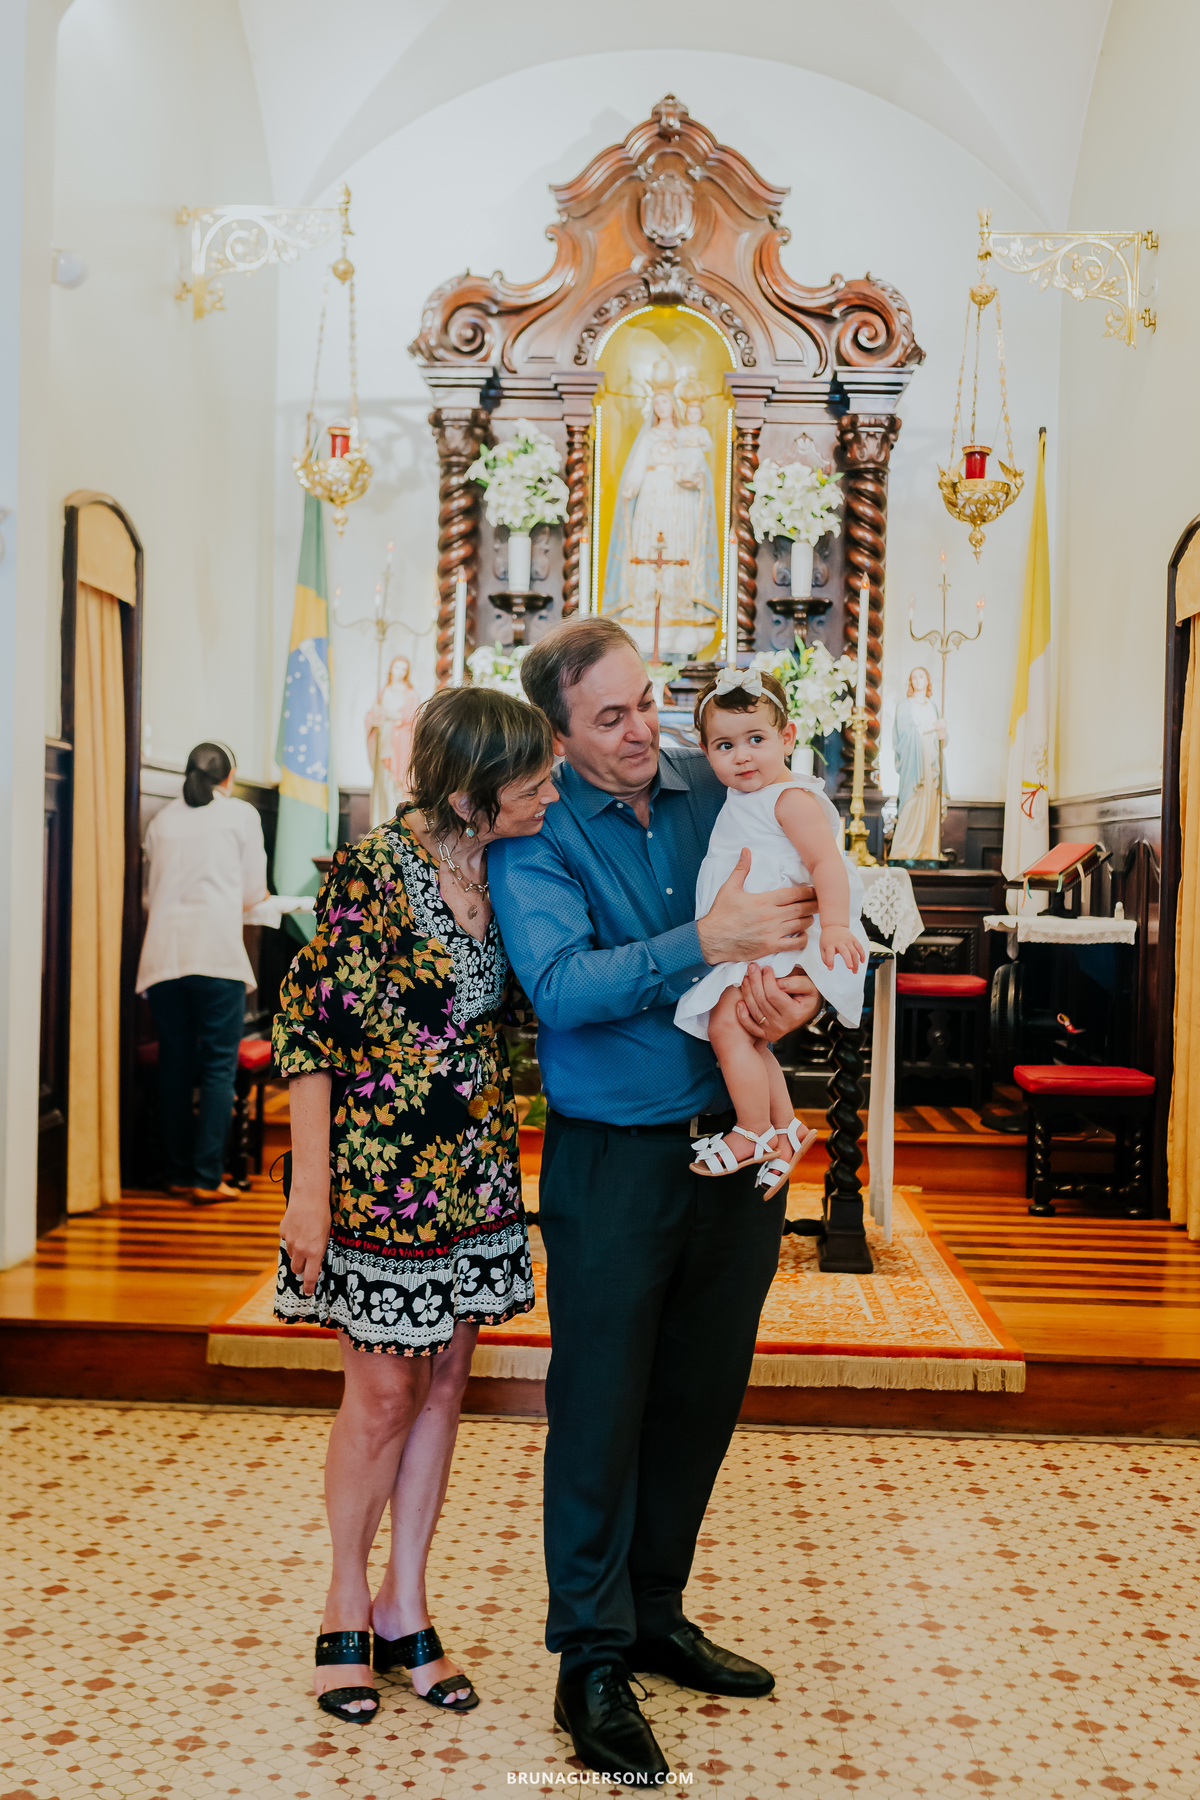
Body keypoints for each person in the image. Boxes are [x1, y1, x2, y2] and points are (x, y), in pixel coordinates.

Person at [488, 618, 823, 1782]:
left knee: (698, 1394)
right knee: (600, 1408)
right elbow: (563, 987)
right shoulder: (534, 831)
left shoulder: (714, 786)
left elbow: (794, 910)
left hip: (730, 1150)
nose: (644, 734)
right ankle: (588, 1655)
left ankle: (656, 1610)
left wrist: (793, 999)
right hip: (615, 1159)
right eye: (612, 719)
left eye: (648, 704)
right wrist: (702, 939)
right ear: (561, 733)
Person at [274, 685, 558, 1727]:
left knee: (444, 1386)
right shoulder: (371, 871)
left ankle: (407, 1603)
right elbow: (311, 1032)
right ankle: (344, 1600)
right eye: (533, 780)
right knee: (382, 1395)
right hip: (377, 1168)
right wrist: (309, 1193)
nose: (548, 793)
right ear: (473, 788)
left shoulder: (512, 866)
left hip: (475, 1168)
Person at [675, 666, 866, 1189]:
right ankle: (785, 1130)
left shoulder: (790, 799)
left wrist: (834, 926)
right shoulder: (745, 796)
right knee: (751, 1038)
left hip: (778, 940)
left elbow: (827, 864)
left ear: (787, 737)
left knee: (726, 1026)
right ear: (704, 750)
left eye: (756, 739)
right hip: (750, 938)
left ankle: (751, 1129)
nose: (741, 756)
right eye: (724, 745)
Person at [135, 742, 267, 1204]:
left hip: (164, 956)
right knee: (216, 1067)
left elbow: (150, 895)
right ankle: (208, 1177)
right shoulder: (241, 816)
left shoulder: (162, 821)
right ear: (228, 778)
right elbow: (254, 892)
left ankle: (175, 1172)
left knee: (174, 1063)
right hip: (215, 955)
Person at [890, 664, 947, 861]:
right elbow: (903, 733)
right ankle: (904, 847)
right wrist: (933, 726)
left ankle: (927, 848)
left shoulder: (933, 707)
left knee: (930, 800)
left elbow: (942, 741)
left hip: (930, 760)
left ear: (928, 681)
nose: (918, 680)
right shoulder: (905, 706)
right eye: (914, 677)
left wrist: (942, 733)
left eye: (921, 676)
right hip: (913, 762)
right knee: (912, 801)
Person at [366, 652, 420, 827]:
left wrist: (390, 716)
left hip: (401, 744)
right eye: (397, 667)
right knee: (383, 783)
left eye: (403, 669)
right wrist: (376, 718)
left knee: (398, 783)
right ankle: (381, 821)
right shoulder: (384, 692)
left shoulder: (411, 694)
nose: (399, 672)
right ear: (391, 669)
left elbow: (411, 718)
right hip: (384, 740)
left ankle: (397, 822)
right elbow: (373, 715)